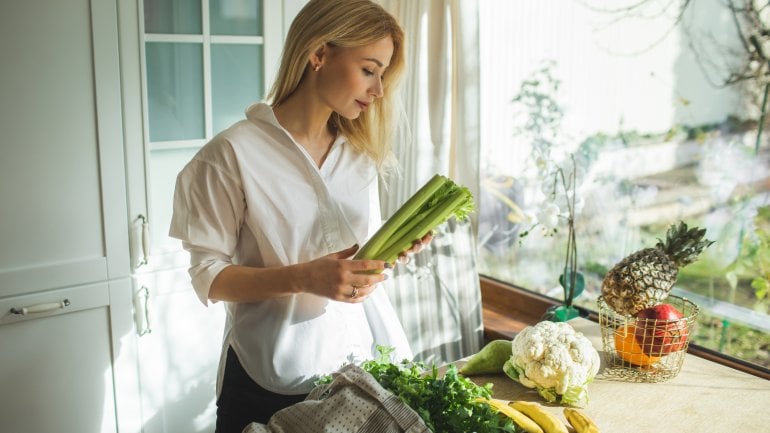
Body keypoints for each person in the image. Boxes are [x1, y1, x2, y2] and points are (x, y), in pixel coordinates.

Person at [169, 1, 429, 431]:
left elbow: (354, 266)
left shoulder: (359, 155)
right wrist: (305, 278)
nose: (379, 90)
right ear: (319, 54)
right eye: (369, 70)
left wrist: (389, 254)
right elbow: (208, 277)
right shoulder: (231, 155)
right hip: (268, 383)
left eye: (383, 74)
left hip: (358, 376)